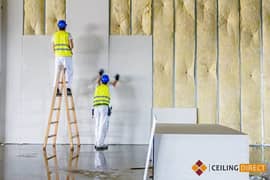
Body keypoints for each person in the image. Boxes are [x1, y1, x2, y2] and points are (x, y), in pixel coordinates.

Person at [93, 69, 120, 150]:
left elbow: (98, 80)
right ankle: (100, 144)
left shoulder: (98, 85)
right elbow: (114, 84)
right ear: (107, 81)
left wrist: (100, 74)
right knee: (102, 126)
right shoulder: (106, 86)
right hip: (103, 107)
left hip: (96, 107)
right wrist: (116, 79)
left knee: (97, 125)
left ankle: (97, 142)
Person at [52, 20, 74, 96]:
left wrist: (57, 53)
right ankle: (68, 88)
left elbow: (53, 47)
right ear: (65, 26)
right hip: (66, 56)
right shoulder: (68, 35)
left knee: (56, 72)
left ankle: (57, 89)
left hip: (57, 56)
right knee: (69, 71)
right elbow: (71, 46)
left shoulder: (55, 35)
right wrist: (70, 50)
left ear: (58, 27)